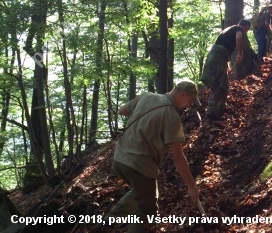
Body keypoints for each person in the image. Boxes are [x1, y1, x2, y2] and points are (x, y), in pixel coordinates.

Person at [90, 80, 201, 233]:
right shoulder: (172, 117)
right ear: (183, 94)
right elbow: (178, 157)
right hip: (140, 166)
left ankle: (106, 225)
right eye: (189, 100)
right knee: (147, 212)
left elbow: (123, 110)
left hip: (120, 159)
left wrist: (145, 121)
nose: (188, 105)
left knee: (140, 192)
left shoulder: (147, 96)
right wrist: (191, 186)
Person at [201, 19, 252, 121]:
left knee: (217, 84)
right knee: (222, 86)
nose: (245, 32)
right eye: (247, 30)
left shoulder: (228, 30)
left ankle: (211, 114)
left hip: (214, 56)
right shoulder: (239, 29)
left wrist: (227, 67)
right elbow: (239, 38)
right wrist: (240, 53)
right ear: (246, 26)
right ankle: (212, 115)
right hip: (219, 56)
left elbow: (222, 51)